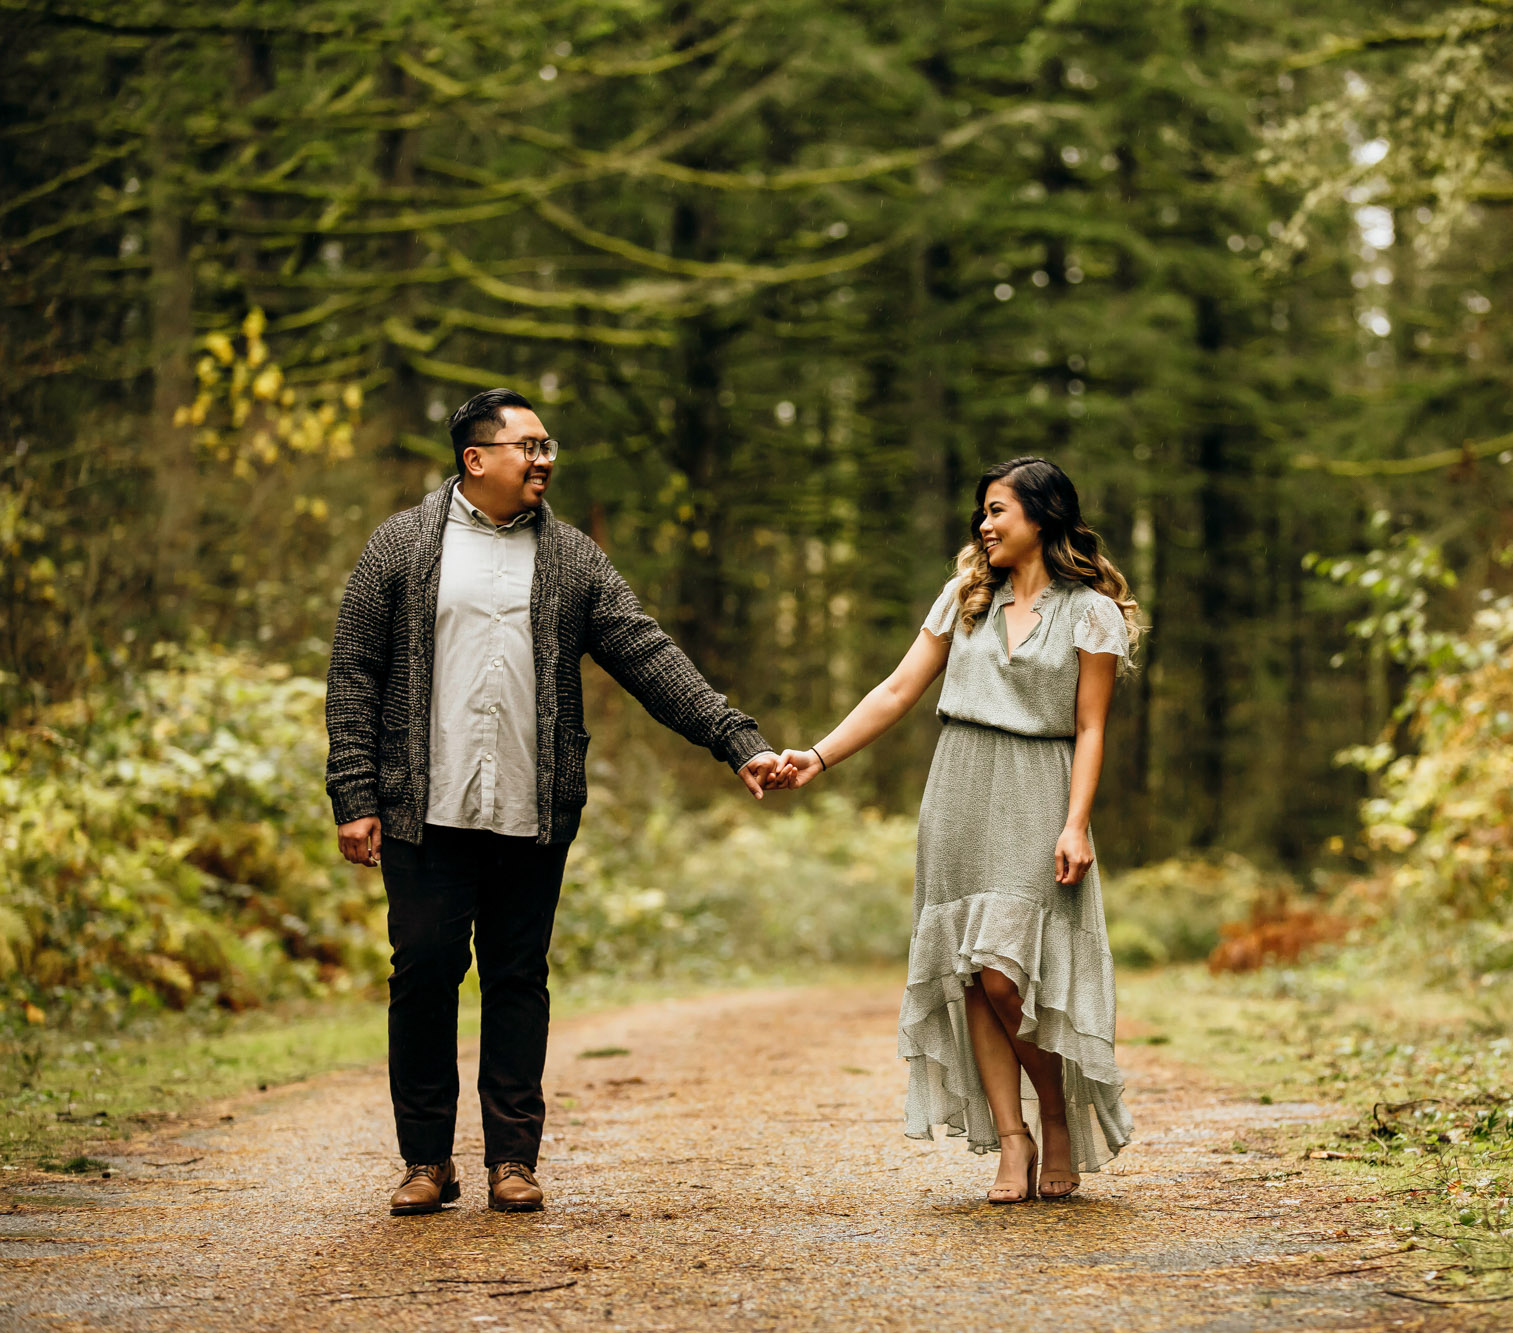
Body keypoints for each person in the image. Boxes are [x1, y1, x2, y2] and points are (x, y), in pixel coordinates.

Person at [324, 388, 786, 1216]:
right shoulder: (399, 545)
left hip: (531, 813)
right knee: (422, 976)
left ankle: (511, 1159)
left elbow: (645, 652)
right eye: (528, 446)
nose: (545, 459)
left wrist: (734, 737)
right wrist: (353, 793)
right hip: (420, 809)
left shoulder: (571, 558)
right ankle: (426, 1159)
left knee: (516, 979)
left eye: (549, 446)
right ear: (477, 460)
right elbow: (354, 671)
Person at [777, 457, 1140, 1203]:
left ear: (1042, 516)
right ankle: (1014, 1138)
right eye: (983, 511)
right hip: (959, 788)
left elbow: (1092, 725)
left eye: (1000, 509)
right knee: (973, 972)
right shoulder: (964, 598)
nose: (985, 523)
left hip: (1040, 790)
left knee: (1010, 977)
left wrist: (1077, 823)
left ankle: (1059, 1117)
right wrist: (818, 756)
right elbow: (897, 688)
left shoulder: (1092, 612)